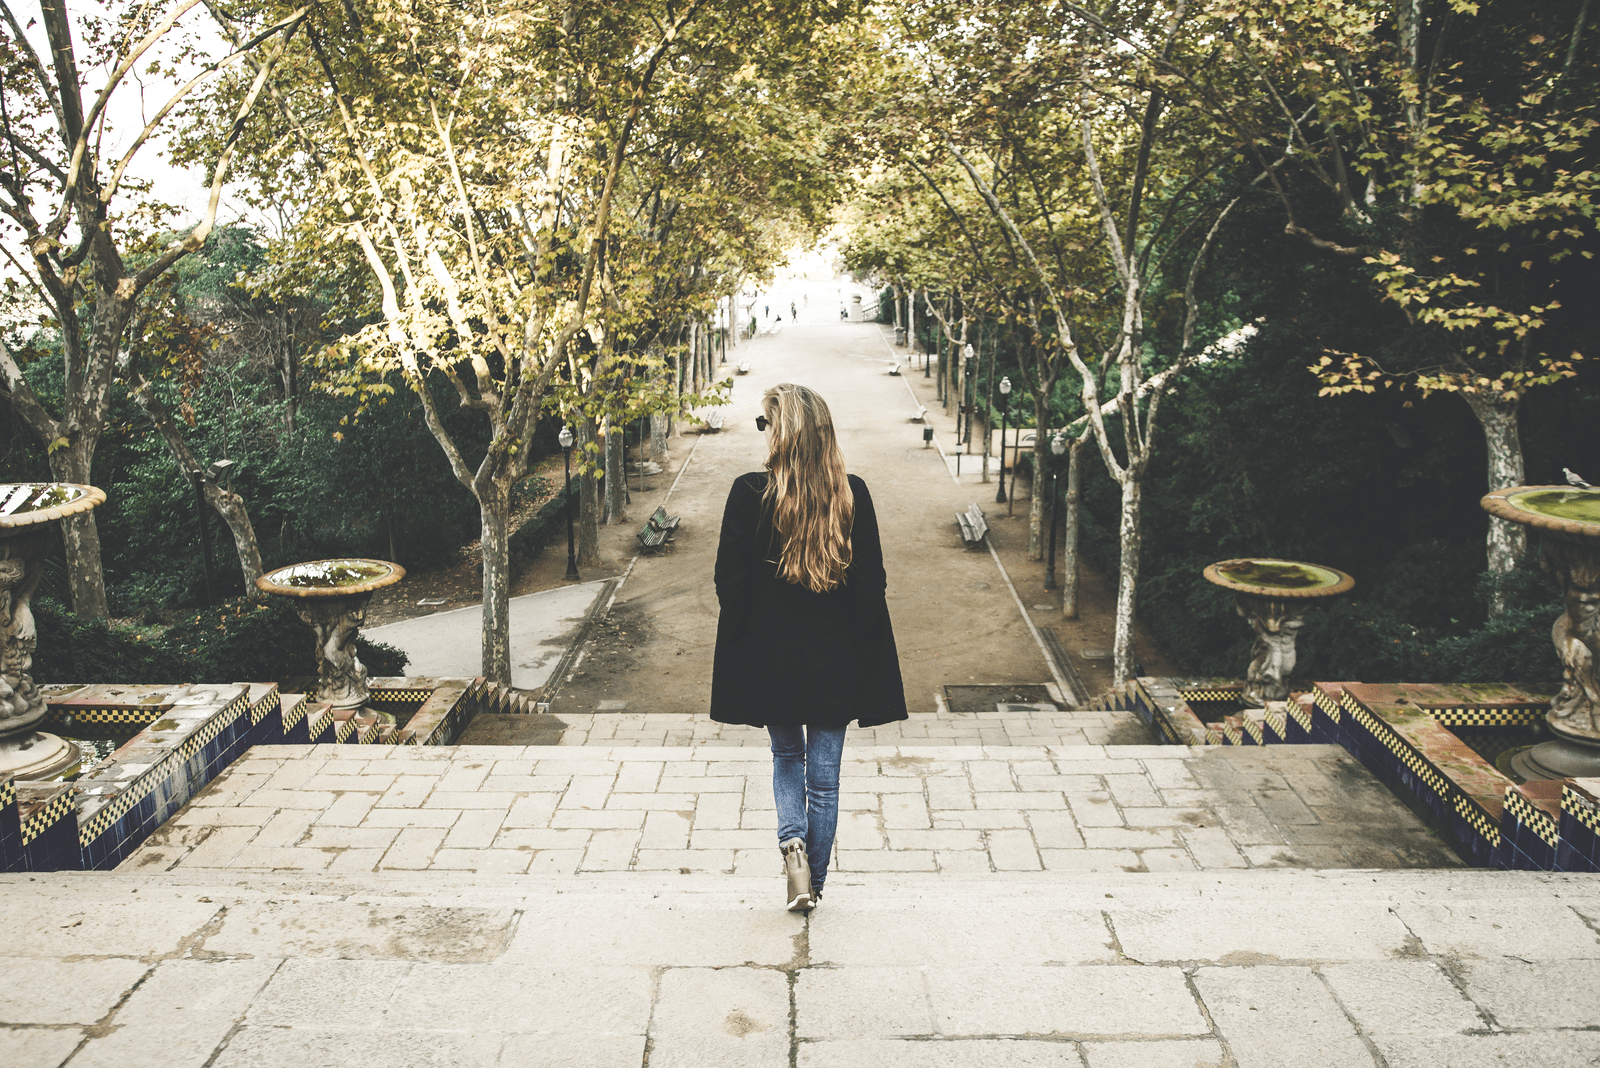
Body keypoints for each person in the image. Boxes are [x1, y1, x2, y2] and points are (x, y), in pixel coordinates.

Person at [711, 384, 907, 911]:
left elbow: (730, 581)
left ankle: (791, 842)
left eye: (764, 423)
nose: (763, 432)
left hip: (770, 660)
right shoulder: (852, 494)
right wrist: (860, 645)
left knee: (784, 755)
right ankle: (812, 884)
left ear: (783, 433)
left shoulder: (746, 492)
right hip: (835, 662)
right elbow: (871, 587)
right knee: (824, 779)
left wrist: (745, 640)